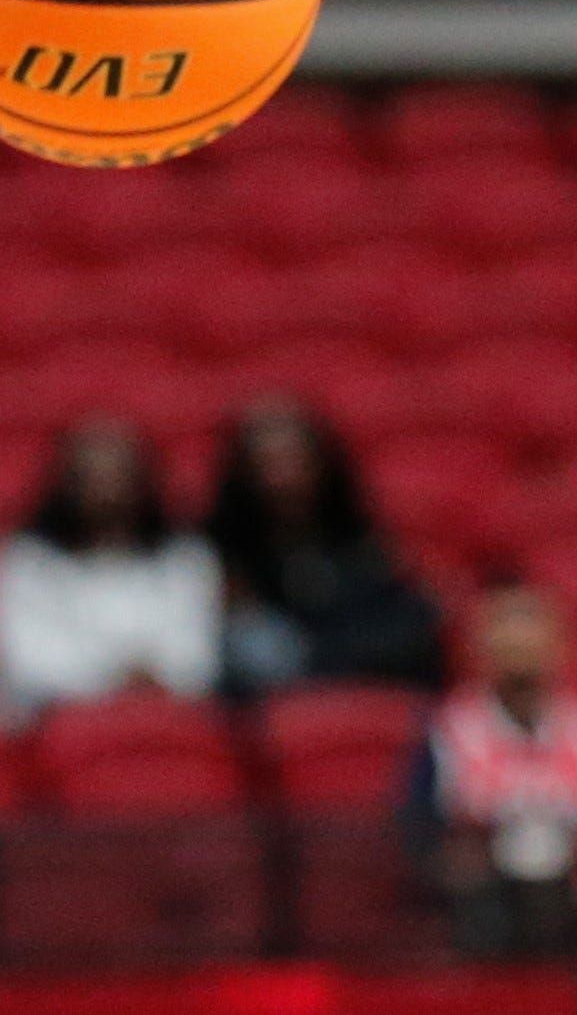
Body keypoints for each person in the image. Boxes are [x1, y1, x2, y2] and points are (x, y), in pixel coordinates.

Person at [0, 416, 223, 723]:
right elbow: (23, 658)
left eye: (119, 477)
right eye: (92, 478)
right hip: (49, 717)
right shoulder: (27, 557)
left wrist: (150, 680)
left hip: (162, 713)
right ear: (67, 483)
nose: (107, 490)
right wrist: (113, 677)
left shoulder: (185, 555)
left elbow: (194, 657)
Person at [208, 394, 444, 697]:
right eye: (267, 464)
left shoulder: (363, 547)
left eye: (295, 461)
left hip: (357, 690)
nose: (282, 479)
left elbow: (410, 633)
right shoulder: (222, 559)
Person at [406, 583, 577, 956]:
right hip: (486, 896)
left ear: (558, 650)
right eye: (508, 648)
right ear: (482, 652)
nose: (520, 661)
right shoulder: (452, 727)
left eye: (530, 647)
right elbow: (421, 825)